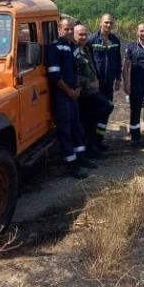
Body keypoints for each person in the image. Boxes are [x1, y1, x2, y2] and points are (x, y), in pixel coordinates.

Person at [47, 17, 97, 179]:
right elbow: (54, 76)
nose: (69, 32)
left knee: (76, 127)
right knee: (66, 130)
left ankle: (81, 158)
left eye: (71, 29)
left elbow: (78, 69)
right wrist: (69, 91)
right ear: (59, 30)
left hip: (73, 93)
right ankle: (71, 164)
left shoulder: (72, 47)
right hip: (62, 96)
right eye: (66, 29)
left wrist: (78, 88)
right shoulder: (55, 48)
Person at [74, 23, 114, 157]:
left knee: (93, 119)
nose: (84, 37)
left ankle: (94, 144)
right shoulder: (74, 52)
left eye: (85, 34)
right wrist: (89, 84)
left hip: (92, 90)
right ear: (74, 35)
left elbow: (91, 68)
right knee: (106, 106)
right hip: (84, 93)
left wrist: (96, 79)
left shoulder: (86, 48)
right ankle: (91, 147)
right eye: (80, 34)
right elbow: (74, 75)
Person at [89, 14, 122, 146]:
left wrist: (118, 78)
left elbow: (118, 60)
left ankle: (99, 140)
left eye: (111, 23)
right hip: (96, 84)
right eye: (106, 22)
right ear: (100, 23)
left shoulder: (115, 40)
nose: (108, 25)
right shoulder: (92, 40)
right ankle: (90, 141)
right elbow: (88, 62)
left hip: (109, 83)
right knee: (94, 111)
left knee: (106, 111)